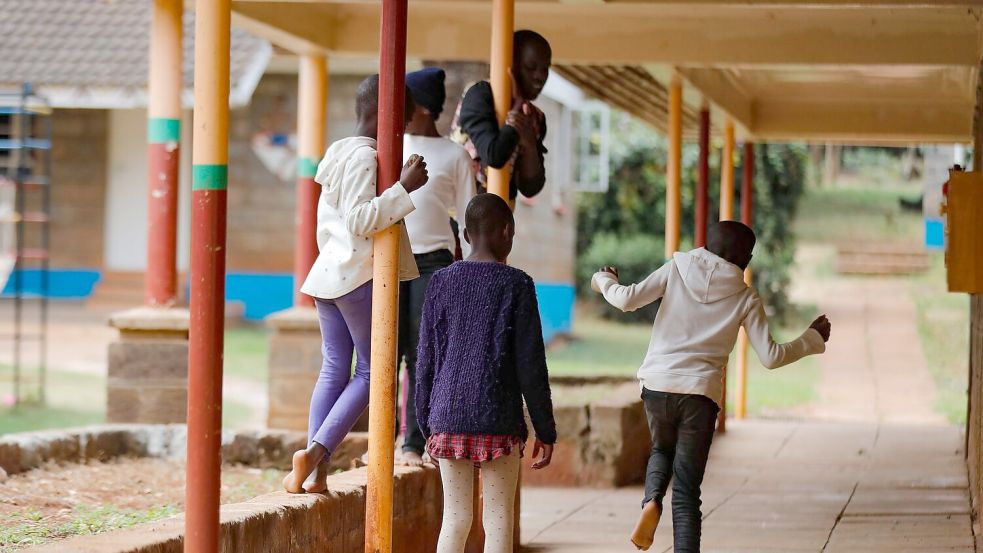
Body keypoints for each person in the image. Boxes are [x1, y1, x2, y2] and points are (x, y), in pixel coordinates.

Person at [590, 221, 832, 552]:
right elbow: (771, 356)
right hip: (700, 396)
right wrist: (812, 339)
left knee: (662, 450)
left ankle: (651, 500)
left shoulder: (676, 268)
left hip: (658, 385)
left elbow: (626, 299)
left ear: (703, 244)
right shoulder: (746, 297)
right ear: (745, 259)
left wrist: (604, 279)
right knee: (687, 492)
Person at [282, 74, 430, 494]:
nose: (403, 129)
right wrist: (404, 186)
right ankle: (315, 453)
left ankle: (313, 473)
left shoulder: (337, 151)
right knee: (373, 372)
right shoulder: (367, 157)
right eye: (402, 119)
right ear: (389, 118)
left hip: (328, 273)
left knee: (333, 368)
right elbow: (360, 220)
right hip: (357, 276)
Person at [415, 193, 556, 553]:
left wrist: (426, 425)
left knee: (455, 518)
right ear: (507, 232)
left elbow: (425, 359)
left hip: (446, 417)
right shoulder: (517, 285)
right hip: (498, 421)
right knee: (498, 520)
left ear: (465, 235)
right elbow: (531, 366)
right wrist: (545, 428)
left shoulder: (440, 282)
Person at [397, 67, 477, 467]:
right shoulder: (388, 146)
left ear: (423, 107)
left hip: (433, 265)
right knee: (383, 352)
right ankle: (377, 440)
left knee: (421, 352)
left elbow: (467, 219)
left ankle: (414, 442)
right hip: (389, 261)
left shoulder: (454, 155)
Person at [452, 30, 552, 202]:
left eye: (545, 69)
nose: (540, 77)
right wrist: (515, 119)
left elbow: (530, 188)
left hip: (499, 222)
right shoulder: (479, 95)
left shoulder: (536, 117)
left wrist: (529, 144)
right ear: (510, 65)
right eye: (530, 68)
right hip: (458, 218)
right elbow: (493, 156)